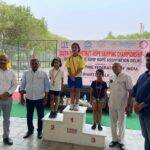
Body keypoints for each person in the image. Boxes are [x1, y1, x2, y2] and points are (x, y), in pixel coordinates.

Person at [20, 58, 50, 139]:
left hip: (40, 98)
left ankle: (40, 131)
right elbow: (22, 85)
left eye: (36, 63)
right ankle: (30, 130)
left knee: (40, 116)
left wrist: (46, 98)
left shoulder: (43, 73)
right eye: (32, 63)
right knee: (29, 115)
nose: (34, 65)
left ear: (39, 64)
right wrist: (21, 98)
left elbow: (47, 86)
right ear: (30, 64)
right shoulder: (26, 73)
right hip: (29, 98)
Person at [109, 63, 133, 150]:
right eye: (113, 67)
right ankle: (114, 139)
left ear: (121, 68)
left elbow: (131, 91)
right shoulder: (111, 77)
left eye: (116, 67)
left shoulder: (126, 77)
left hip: (122, 105)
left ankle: (121, 141)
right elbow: (110, 90)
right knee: (112, 123)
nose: (114, 68)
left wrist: (129, 105)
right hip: (112, 104)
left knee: (121, 123)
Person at [132, 52, 150, 150]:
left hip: (148, 113)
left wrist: (142, 105)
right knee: (146, 136)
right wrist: (135, 103)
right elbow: (135, 89)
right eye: (147, 60)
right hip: (141, 113)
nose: (148, 62)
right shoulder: (143, 75)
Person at [0, 54, 17, 145]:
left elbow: (15, 85)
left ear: (8, 61)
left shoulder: (11, 73)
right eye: (1, 59)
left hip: (8, 99)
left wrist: (7, 93)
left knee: (6, 119)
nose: (2, 61)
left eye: (4, 60)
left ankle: (6, 137)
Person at [65, 42, 85, 111]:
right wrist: (71, 75)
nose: (74, 49)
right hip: (71, 77)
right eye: (72, 47)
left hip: (78, 77)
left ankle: (76, 104)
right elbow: (68, 67)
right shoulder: (69, 58)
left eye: (75, 48)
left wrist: (74, 75)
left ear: (78, 49)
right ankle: (71, 104)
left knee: (77, 90)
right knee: (72, 90)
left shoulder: (80, 57)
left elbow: (81, 68)